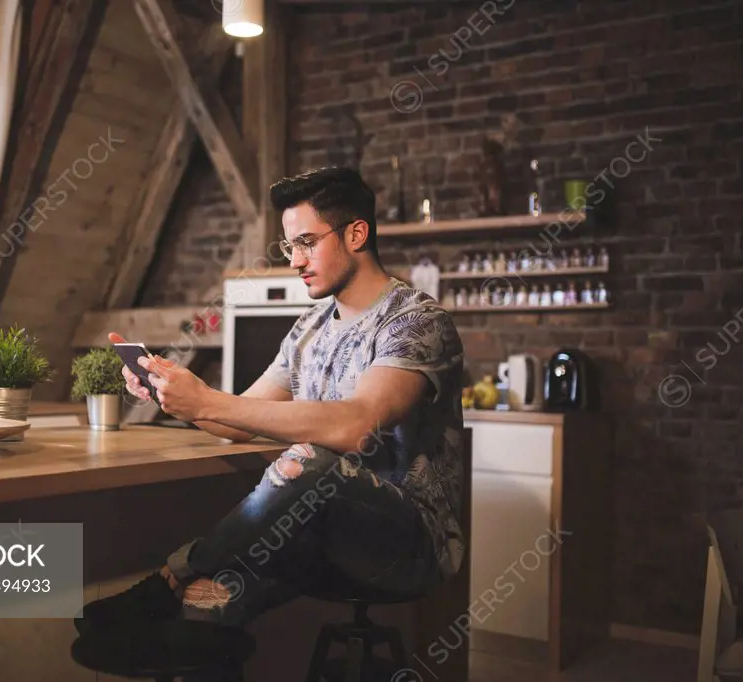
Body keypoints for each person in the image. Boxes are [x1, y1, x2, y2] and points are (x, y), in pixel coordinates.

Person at [77, 166, 466, 645]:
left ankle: (168, 578)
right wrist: (181, 396)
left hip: (405, 545)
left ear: (356, 234)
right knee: (206, 603)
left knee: (307, 460)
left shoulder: (417, 322)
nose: (296, 260)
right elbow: (240, 420)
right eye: (289, 247)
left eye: (307, 242)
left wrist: (210, 401)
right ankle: (184, 586)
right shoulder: (309, 327)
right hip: (311, 535)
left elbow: (358, 428)